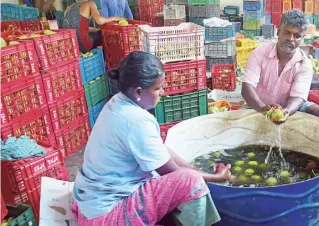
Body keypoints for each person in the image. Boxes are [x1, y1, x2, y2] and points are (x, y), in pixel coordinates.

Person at [72, 51, 234, 225]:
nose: (162, 92)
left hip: (91, 202)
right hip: (108, 216)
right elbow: (173, 172)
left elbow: (160, 151)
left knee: (186, 174)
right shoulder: (136, 121)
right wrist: (214, 177)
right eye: (157, 88)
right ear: (139, 92)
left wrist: (194, 168)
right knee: (191, 181)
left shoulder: (117, 102)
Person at [241, 9, 319, 125]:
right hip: (259, 104)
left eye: (297, 36)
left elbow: (298, 97)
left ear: (303, 38)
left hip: (289, 108)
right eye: (287, 33)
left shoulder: (304, 64)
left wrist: (287, 111)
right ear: (278, 31)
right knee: (236, 120)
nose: (291, 39)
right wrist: (262, 108)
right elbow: (247, 86)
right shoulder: (259, 53)